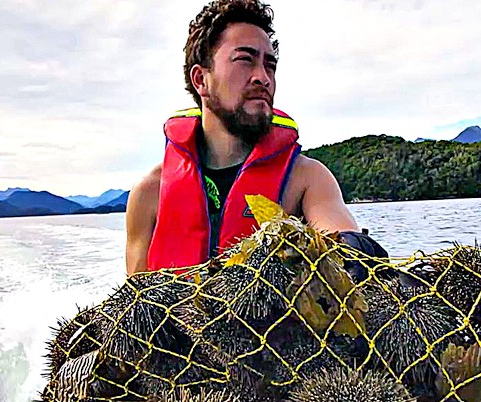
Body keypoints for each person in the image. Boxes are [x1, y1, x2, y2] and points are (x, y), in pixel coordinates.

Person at [124, 0, 384, 275]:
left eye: (269, 65)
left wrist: (353, 248)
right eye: (245, 60)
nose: (263, 77)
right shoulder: (150, 193)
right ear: (201, 79)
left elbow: (337, 231)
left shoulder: (307, 178)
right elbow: (136, 304)